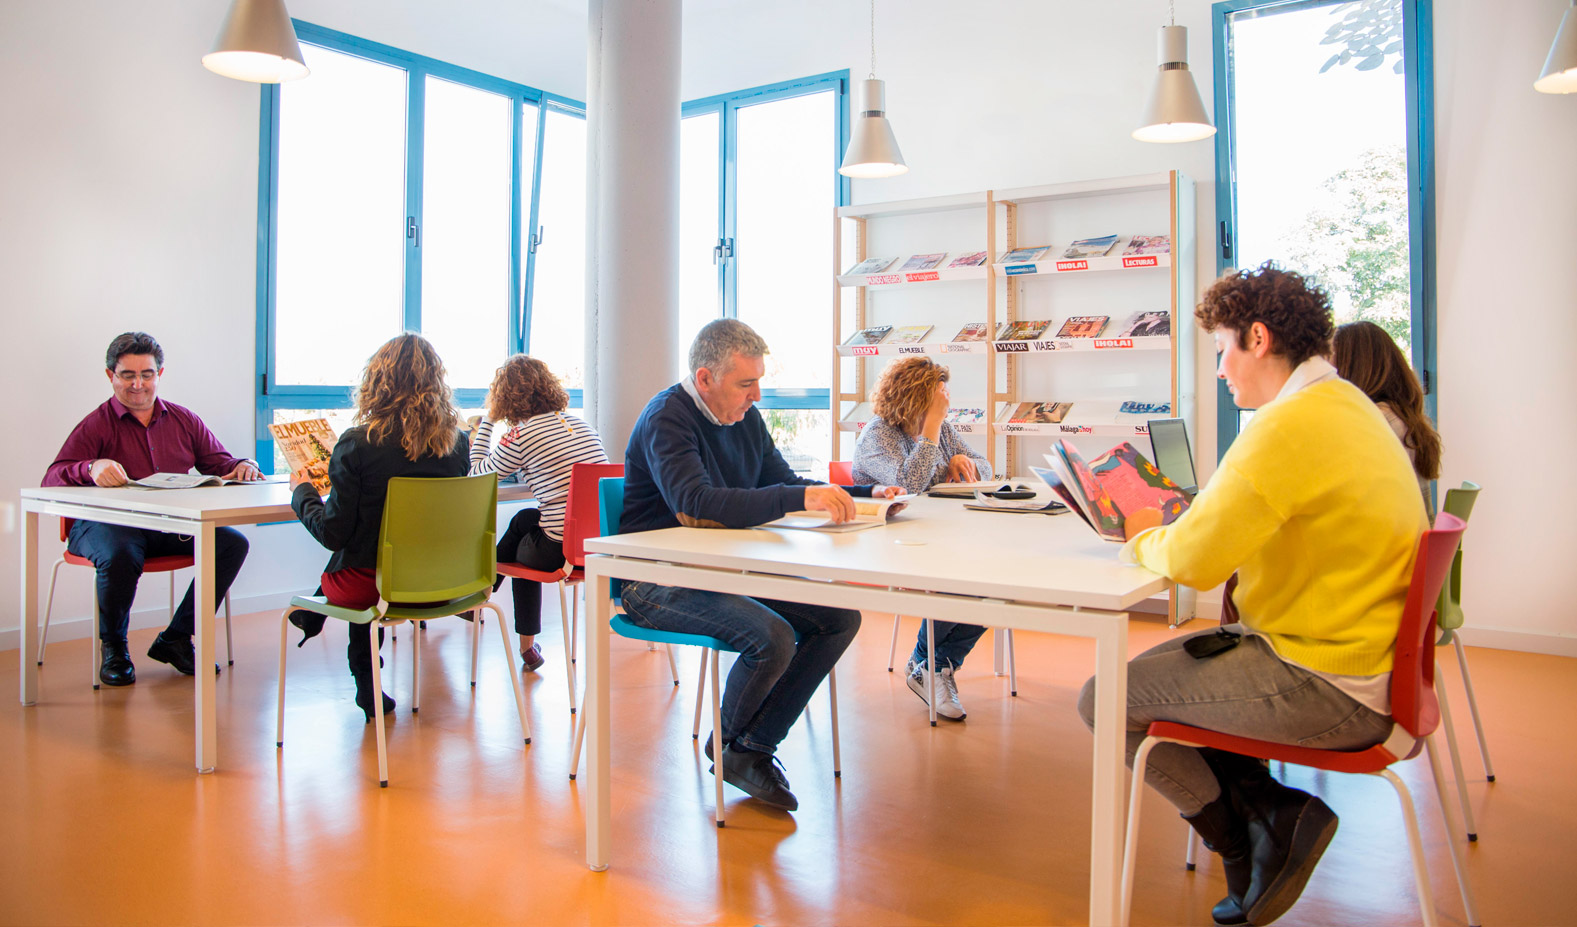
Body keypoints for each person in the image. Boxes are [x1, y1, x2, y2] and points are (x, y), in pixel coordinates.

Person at [1075, 264, 1427, 927]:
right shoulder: (1345, 405)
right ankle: (1269, 813)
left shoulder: (1286, 425)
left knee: (1107, 699)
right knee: (1161, 676)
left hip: (1327, 682)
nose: (1219, 371)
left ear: (1257, 338)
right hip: (1355, 660)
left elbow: (1194, 562)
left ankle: (1247, 837)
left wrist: (1139, 534)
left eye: (1220, 351)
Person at [620, 319, 901, 812]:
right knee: (769, 637)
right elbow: (696, 501)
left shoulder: (743, 417)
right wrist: (799, 496)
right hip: (654, 578)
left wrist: (863, 492)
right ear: (705, 379)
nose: (757, 395)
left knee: (838, 620)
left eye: (759, 381)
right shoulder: (667, 417)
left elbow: (784, 481)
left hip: (721, 571)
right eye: (746, 384)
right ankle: (734, 748)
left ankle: (748, 749)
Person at [43, 332, 258, 687]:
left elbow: (220, 463)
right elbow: (52, 476)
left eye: (147, 374)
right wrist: (91, 466)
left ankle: (176, 638)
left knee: (231, 543)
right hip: (102, 528)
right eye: (128, 375)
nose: (138, 384)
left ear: (160, 374)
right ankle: (114, 647)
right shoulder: (96, 423)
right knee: (121, 550)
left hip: (165, 525)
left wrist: (244, 463)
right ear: (111, 375)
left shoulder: (183, 420)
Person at [291, 333, 470, 721]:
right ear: (436, 383)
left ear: (376, 382)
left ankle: (367, 685)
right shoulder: (458, 445)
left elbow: (332, 535)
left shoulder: (358, 445)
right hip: (447, 585)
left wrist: (302, 492)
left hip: (376, 587)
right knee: (370, 553)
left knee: (354, 556)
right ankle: (358, 672)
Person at [852, 355, 993, 722]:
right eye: (938, 396)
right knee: (961, 577)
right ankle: (928, 662)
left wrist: (963, 461)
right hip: (887, 542)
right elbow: (908, 488)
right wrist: (932, 426)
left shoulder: (942, 431)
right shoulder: (878, 434)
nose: (945, 401)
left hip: (936, 534)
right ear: (915, 397)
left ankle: (932, 664)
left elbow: (989, 467)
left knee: (994, 580)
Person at [469, 354, 608, 673]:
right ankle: (485, 600)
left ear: (506, 399)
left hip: (558, 552)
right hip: (595, 546)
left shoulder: (521, 434)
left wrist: (488, 419)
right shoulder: (580, 424)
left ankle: (484, 599)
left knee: (519, 550)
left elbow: (478, 472)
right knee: (525, 520)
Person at [1331, 320, 1442, 517]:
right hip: (1412, 543)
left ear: (1351, 370)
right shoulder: (1403, 419)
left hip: (1393, 544)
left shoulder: (1375, 423)